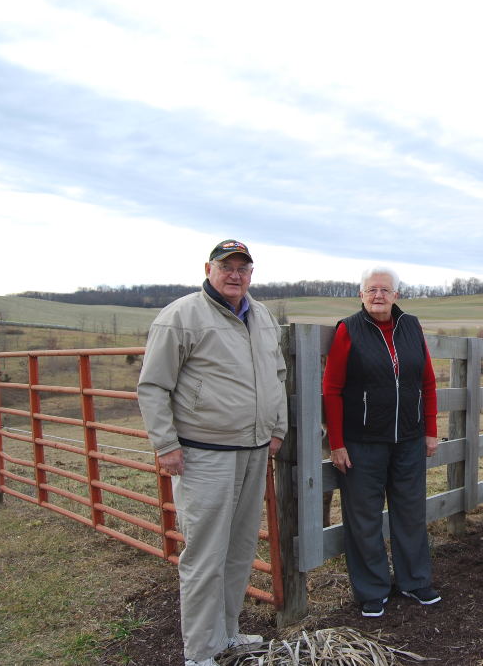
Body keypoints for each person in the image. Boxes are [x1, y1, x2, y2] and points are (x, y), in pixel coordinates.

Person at [137, 239, 287, 666]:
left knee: (239, 548)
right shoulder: (181, 317)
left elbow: (277, 376)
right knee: (205, 554)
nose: (235, 274)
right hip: (204, 453)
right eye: (227, 266)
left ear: (251, 273)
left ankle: (228, 633)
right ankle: (201, 651)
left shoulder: (261, 316)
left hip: (254, 450)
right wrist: (165, 444)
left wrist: (277, 428)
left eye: (243, 267)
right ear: (209, 268)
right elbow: (153, 385)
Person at [322, 266, 441, 617]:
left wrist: (430, 429)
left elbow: (428, 383)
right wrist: (337, 442)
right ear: (361, 294)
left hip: (408, 439)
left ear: (396, 296)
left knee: (410, 512)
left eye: (385, 290)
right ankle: (372, 590)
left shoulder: (412, 326)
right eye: (371, 289)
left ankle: (415, 582)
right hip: (362, 442)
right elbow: (332, 389)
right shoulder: (349, 329)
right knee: (364, 517)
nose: (378, 295)